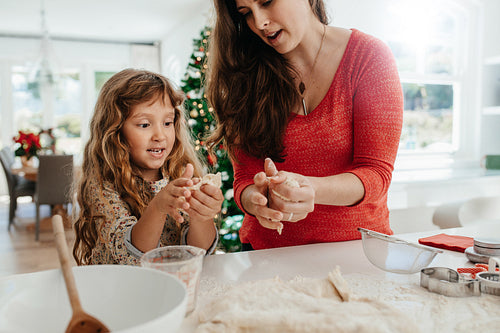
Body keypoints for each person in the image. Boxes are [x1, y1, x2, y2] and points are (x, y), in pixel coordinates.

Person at [206, 0, 404, 250]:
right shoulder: (244, 72)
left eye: (266, 2)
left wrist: (311, 188)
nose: (259, 23)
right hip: (268, 254)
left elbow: (376, 173)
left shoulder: (368, 56)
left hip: (357, 250)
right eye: (245, 13)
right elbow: (244, 178)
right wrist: (254, 201)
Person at [73, 69, 223, 265]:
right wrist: (159, 208)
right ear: (116, 131)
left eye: (168, 122)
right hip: (120, 288)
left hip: (171, 287)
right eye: (144, 125)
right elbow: (131, 255)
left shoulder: (180, 173)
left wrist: (202, 215)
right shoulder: (102, 185)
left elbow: (197, 252)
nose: (160, 135)